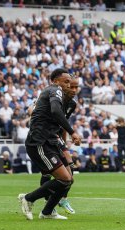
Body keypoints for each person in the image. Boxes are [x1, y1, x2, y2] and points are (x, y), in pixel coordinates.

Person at [18, 68, 82, 220]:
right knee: (61, 178)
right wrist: (73, 132)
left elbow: (60, 119)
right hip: (40, 140)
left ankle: (47, 212)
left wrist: (65, 141)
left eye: (72, 84)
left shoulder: (70, 103)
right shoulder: (55, 91)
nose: (69, 86)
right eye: (67, 82)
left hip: (53, 140)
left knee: (68, 179)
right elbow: (54, 111)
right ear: (56, 81)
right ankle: (28, 198)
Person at [37, 75, 79, 215]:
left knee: (70, 168)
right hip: (43, 136)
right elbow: (32, 110)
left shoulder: (72, 104)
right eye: (70, 85)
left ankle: (62, 199)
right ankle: (47, 201)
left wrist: (65, 143)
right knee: (47, 173)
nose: (73, 89)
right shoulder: (52, 95)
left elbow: (63, 122)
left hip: (56, 137)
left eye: (75, 87)